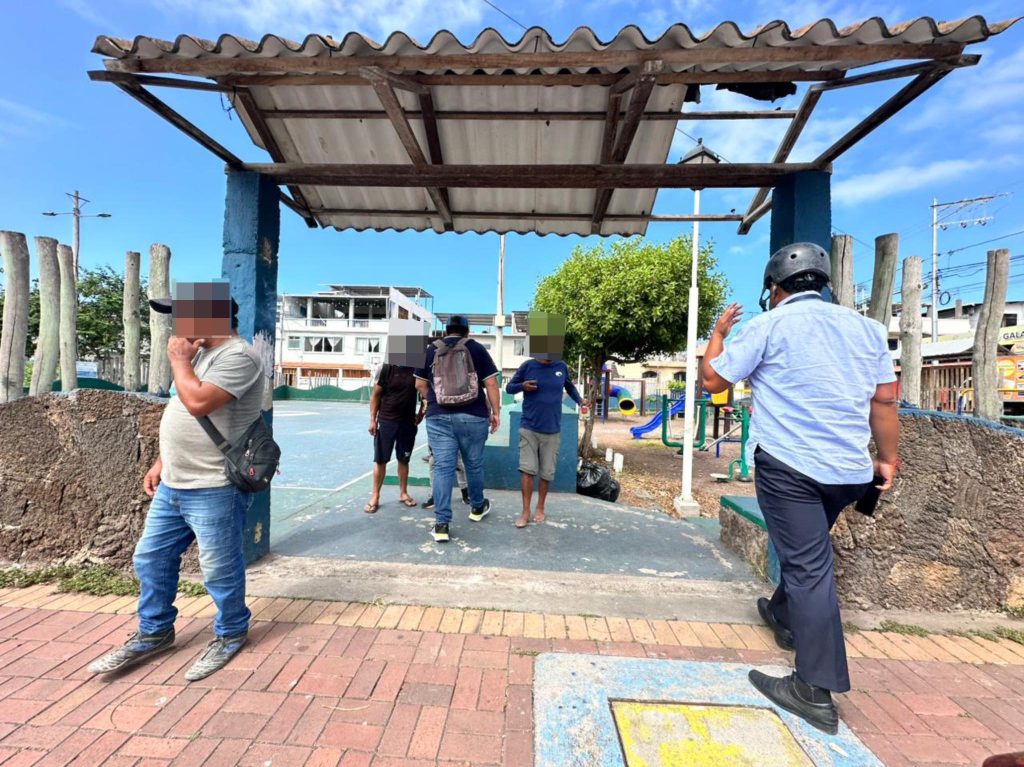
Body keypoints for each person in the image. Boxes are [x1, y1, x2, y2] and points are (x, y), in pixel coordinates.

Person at [701, 242, 899, 735]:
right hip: (849, 472)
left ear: (774, 288)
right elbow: (884, 402)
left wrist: (718, 334)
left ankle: (814, 688)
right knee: (807, 550)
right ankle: (782, 614)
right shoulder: (869, 329)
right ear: (824, 284)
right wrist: (887, 458)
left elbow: (713, 382)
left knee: (810, 567)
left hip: (791, 468)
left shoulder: (768, 325)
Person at [89, 287, 266, 681]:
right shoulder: (197, 354)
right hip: (174, 483)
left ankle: (232, 631)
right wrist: (161, 461)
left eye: (184, 315)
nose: (177, 324)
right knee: (150, 558)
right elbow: (180, 408)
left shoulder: (239, 357)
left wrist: (178, 360)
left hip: (215, 485)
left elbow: (199, 402)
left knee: (218, 568)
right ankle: (155, 631)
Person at [415, 315, 501, 543]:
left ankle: (441, 524)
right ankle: (477, 507)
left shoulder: (430, 350)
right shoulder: (477, 348)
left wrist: (435, 399)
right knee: (473, 464)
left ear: (446, 331)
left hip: (438, 417)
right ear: (467, 331)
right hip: (474, 416)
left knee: (443, 468)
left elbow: (420, 384)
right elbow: (491, 384)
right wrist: (495, 413)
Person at [505, 314, 587, 528]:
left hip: (552, 430)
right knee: (527, 469)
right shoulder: (527, 366)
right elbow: (509, 388)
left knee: (546, 473)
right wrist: (523, 386)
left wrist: (580, 400)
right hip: (529, 427)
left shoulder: (561, 366)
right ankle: (525, 511)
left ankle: (540, 507)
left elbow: (569, 387)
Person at [365, 361, 425, 512]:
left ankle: (403, 493)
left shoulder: (417, 369)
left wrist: (420, 414)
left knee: (404, 460)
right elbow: (375, 396)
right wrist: (373, 420)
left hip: (408, 423)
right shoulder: (386, 369)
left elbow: (425, 393)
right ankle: (375, 496)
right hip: (386, 422)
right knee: (380, 460)